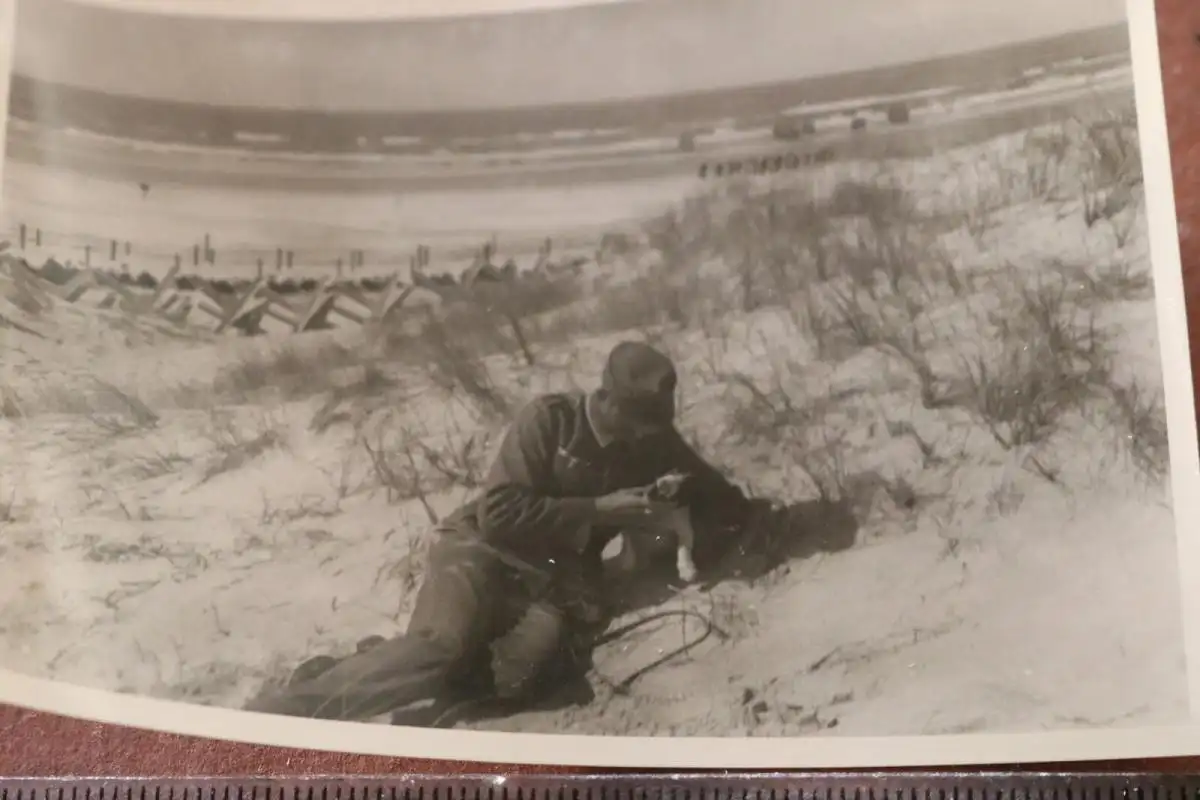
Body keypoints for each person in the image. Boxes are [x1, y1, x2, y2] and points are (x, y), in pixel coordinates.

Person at [244, 341, 754, 721]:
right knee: (439, 648)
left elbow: (718, 494)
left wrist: (717, 510)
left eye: (655, 424)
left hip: (550, 579)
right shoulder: (549, 422)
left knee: (517, 680)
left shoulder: (653, 440)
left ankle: (363, 664)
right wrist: (601, 508)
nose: (649, 435)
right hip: (479, 551)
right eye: (641, 421)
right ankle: (285, 713)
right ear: (608, 400)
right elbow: (501, 514)